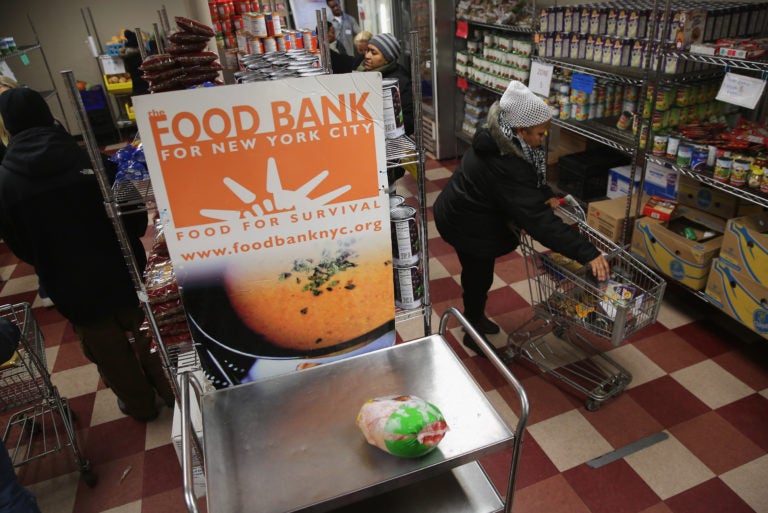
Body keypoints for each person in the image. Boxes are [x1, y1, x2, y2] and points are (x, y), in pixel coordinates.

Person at [0, 87, 174, 422]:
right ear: (48, 117)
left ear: (8, 127)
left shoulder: (5, 183)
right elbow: (134, 219)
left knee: (108, 351)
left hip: (70, 285)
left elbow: (21, 246)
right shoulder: (91, 158)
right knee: (149, 333)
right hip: (122, 270)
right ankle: (170, 392)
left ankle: (140, 406)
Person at [433, 80, 610, 350]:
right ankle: (472, 327)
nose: (543, 139)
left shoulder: (501, 137)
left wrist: (543, 193)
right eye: (539, 134)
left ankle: (475, 318)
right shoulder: (505, 162)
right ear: (521, 130)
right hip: (467, 223)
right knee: (478, 276)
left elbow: (529, 178)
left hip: (471, 212)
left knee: (479, 274)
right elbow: (539, 222)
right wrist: (587, 252)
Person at [358, 33, 414, 186]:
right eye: (368, 50)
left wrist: (385, 124)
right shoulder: (363, 72)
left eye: (374, 53)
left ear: (388, 58)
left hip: (388, 153)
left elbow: (410, 120)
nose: (367, 56)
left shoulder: (399, 81)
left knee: (386, 193)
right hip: (367, 147)